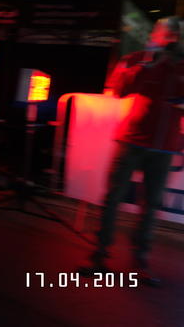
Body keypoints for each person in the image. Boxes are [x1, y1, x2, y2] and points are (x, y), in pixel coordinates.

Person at [79, 16, 184, 286]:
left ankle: (140, 263)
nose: (170, 38)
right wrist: (147, 62)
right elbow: (120, 89)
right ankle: (99, 257)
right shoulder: (139, 58)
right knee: (113, 198)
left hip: (164, 148)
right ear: (156, 34)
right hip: (132, 141)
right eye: (166, 33)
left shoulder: (181, 64)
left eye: (175, 35)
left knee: (150, 207)